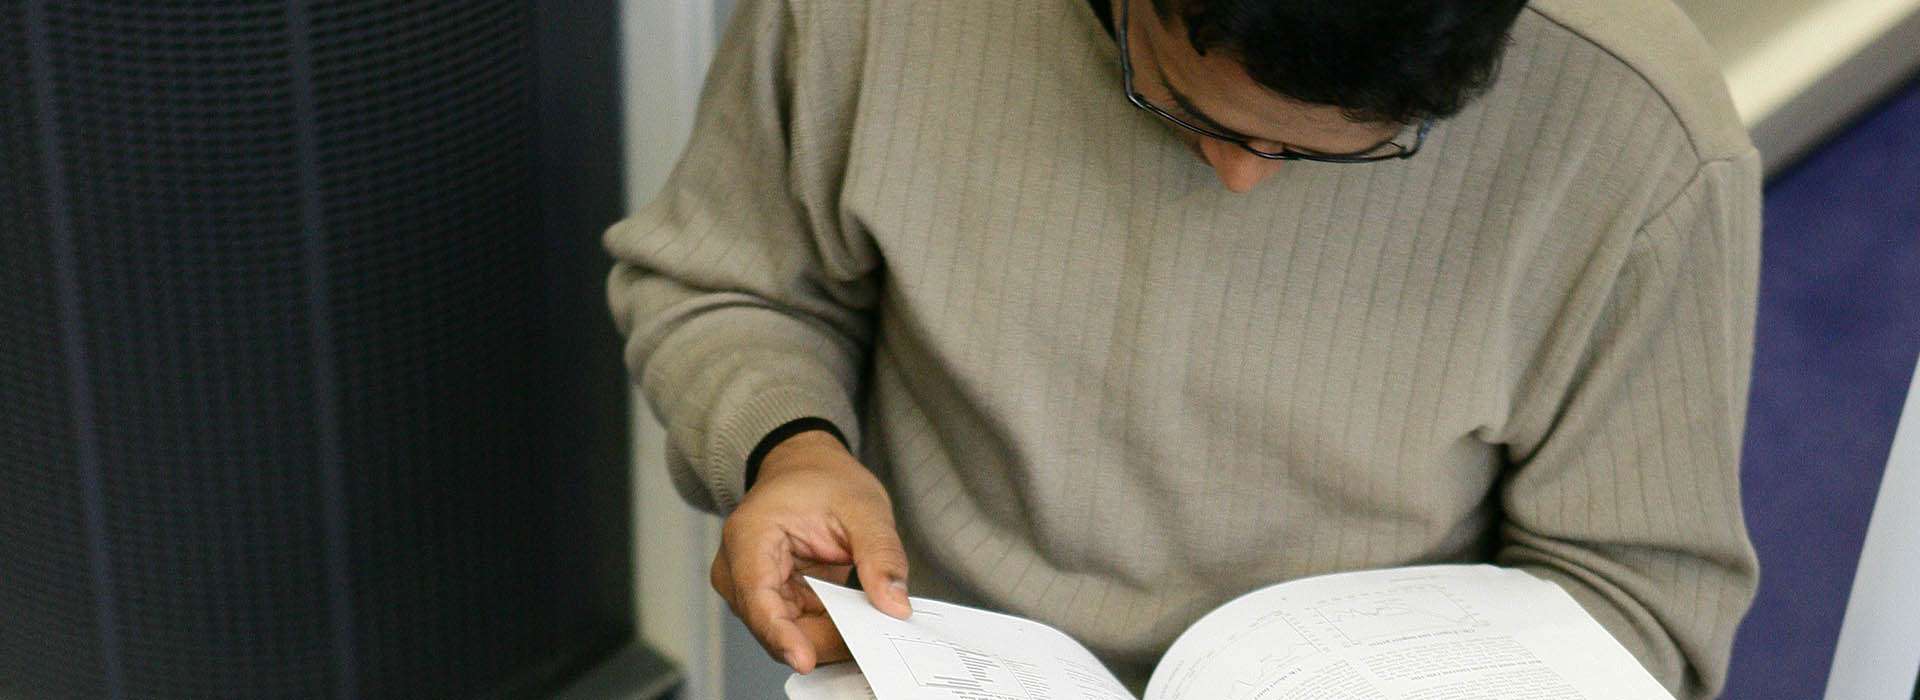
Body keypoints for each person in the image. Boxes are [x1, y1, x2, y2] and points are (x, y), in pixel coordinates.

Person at [604, 0, 1762, 696]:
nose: (1242, 177)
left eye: (1337, 151)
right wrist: (788, 446)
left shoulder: (1637, 131)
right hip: (936, 658)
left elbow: (1638, 598)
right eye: (1185, 107)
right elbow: (726, 279)